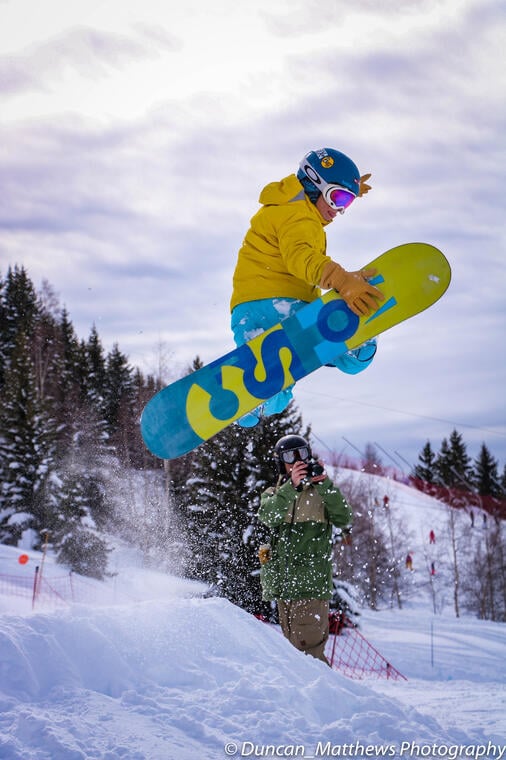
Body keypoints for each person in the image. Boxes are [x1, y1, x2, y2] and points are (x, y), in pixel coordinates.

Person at [230, 147, 385, 426]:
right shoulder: (299, 216)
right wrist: (342, 281)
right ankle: (353, 346)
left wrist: (345, 187)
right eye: (337, 197)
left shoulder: (288, 208)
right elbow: (302, 258)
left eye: (347, 203)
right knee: (349, 359)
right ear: (314, 184)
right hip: (280, 305)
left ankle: (254, 403)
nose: (339, 210)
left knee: (277, 393)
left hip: (249, 311)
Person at [257, 434, 352, 664]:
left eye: (303, 454)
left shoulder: (321, 493)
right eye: (290, 456)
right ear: (281, 462)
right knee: (295, 658)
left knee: (309, 657)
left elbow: (344, 518)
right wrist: (292, 487)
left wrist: (325, 484)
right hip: (284, 589)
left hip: (309, 588)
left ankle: (325, 698)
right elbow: (268, 516)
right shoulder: (275, 493)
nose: (298, 460)